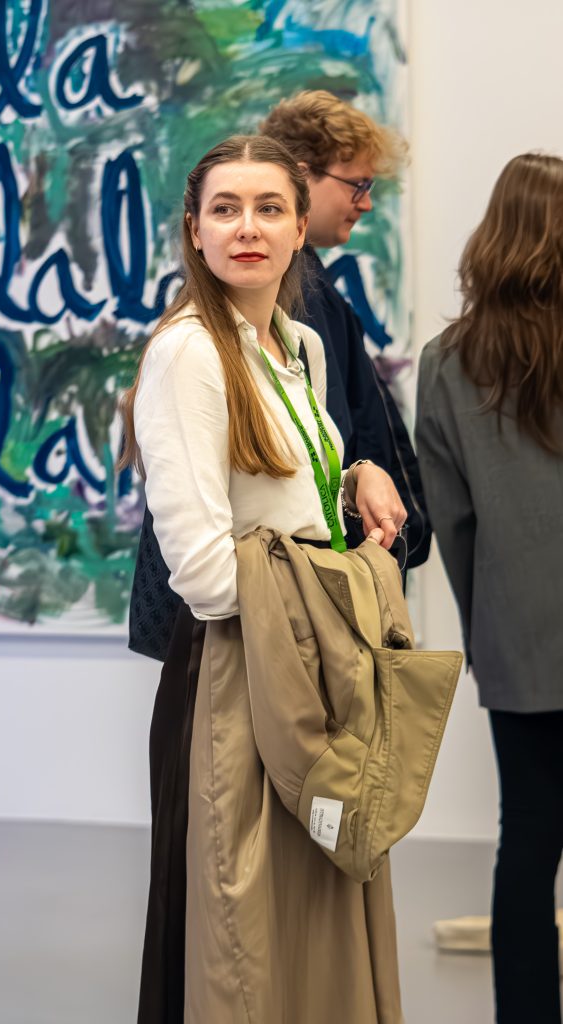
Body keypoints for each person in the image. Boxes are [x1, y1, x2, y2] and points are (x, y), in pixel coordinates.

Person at [120, 134, 407, 1023]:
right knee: (241, 930)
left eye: (269, 208)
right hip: (238, 673)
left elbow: (290, 491)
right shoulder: (188, 354)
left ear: (296, 233)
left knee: (316, 913)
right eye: (225, 209)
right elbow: (203, 573)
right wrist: (319, 578)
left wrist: (354, 470)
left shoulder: (297, 347)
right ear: (195, 233)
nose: (248, 227)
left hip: (306, 661)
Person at [415, 152, 563, 1024]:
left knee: (527, 842)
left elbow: (451, 522)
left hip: (515, 636)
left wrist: (485, 633)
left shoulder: (445, 361)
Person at [259, 90, 431, 571]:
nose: (368, 203)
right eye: (358, 185)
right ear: (299, 175)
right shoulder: (290, 293)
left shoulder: (309, 282)